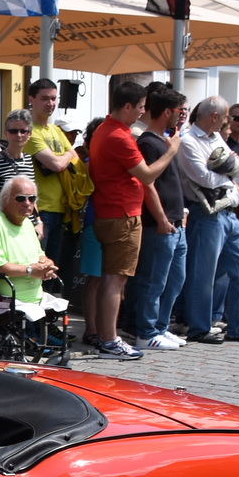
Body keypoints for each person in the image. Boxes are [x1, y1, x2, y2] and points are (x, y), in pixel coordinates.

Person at [86, 81, 179, 360]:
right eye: (140, 107)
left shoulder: (106, 130)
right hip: (121, 214)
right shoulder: (118, 136)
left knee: (112, 279)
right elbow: (147, 175)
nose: (143, 112)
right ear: (127, 106)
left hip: (113, 212)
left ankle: (107, 338)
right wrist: (172, 150)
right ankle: (109, 341)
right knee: (115, 280)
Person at [177, 97, 239, 342]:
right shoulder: (188, 141)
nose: (228, 122)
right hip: (206, 212)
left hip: (228, 211)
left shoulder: (215, 137)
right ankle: (199, 327)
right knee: (203, 273)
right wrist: (227, 173)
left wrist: (223, 169)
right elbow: (203, 178)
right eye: (226, 117)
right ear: (215, 116)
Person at [131, 87, 191, 350]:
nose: (182, 116)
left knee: (175, 280)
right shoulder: (148, 142)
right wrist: (161, 218)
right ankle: (146, 332)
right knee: (154, 281)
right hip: (159, 225)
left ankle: (160, 327)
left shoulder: (166, 141)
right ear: (167, 111)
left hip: (176, 223)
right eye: (179, 111)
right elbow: (148, 184)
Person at [23, 79, 78, 270]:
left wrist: (64, 157)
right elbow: (57, 164)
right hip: (40, 209)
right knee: (39, 267)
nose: (50, 103)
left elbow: (75, 157)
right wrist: (65, 156)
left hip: (60, 208)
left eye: (54, 98)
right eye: (45, 98)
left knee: (53, 270)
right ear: (31, 99)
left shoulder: (55, 130)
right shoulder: (29, 131)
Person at [0, 177, 58, 305]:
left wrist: (48, 265)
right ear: (5, 200)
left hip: (37, 298)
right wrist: (30, 270)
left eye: (32, 198)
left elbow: (40, 256)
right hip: (6, 300)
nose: (27, 203)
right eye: (20, 198)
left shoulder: (28, 224)